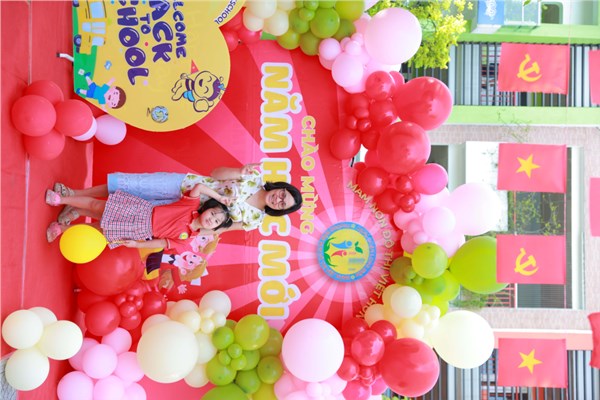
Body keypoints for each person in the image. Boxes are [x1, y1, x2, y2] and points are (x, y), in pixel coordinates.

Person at [52, 163, 303, 233]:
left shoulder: (255, 221)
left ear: (280, 210)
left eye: (283, 204)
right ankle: (74, 195)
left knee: (127, 211)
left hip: (182, 213)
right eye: (283, 194)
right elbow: (215, 173)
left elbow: (219, 229)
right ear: (280, 187)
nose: (278, 199)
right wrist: (239, 172)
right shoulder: (253, 177)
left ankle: (77, 211)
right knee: (129, 185)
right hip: (184, 185)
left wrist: (188, 230)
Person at [44, 183, 233, 252]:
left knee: (98, 231)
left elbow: (161, 243)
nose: (212, 219)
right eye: (213, 213)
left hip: (140, 231)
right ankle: (61, 199)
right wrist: (220, 198)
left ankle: (61, 229)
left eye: (216, 221)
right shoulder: (190, 205)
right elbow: (199, 187)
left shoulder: (187, 240)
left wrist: (136, 244)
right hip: (141, 211)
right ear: (206, 208)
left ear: (214, 229)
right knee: (97, 206)